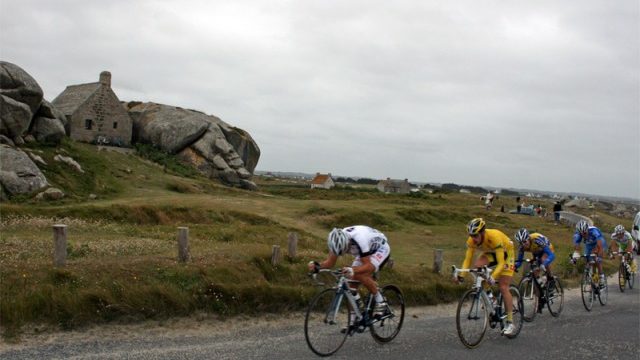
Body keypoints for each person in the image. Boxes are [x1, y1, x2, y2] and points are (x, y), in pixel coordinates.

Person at [308, 225, 391, 320]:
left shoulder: (359, 239)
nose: (342, 253)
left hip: (380, 249)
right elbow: (330, 263)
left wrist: (353, 270)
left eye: (344, 250)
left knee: (360, 274)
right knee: (351, 285)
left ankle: (381, 301)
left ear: (347, 243)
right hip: (364, 252)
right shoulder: (336, 242)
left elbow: (368, 266)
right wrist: (317, 266)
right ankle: (354, 319)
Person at [455, 218, 516, 336]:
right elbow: (467, 259)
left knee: (503, 287)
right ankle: (490, 297)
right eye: (471, 235)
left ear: (482, 233)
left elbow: (501, 263)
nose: (473, 238)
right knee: (477, 267)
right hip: (491, 252)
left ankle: (510, 322)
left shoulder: (494, 237)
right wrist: (461, 276)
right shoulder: (472, 240)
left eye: (476, 235)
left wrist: (493, 277)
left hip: (506, 254)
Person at [572, 220, 607, 287]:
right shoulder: (577, 234)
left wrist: (599, 256)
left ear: (587, 230)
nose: (583, 235)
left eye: (585, 233)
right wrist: (575, 257)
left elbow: (600, 246)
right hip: (589, 244)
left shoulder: (594, 231)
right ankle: (591, 275)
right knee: (587, 258)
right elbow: (576, 247)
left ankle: (601, 278)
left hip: (598, 242)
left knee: (597, 260)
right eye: (581, 234)